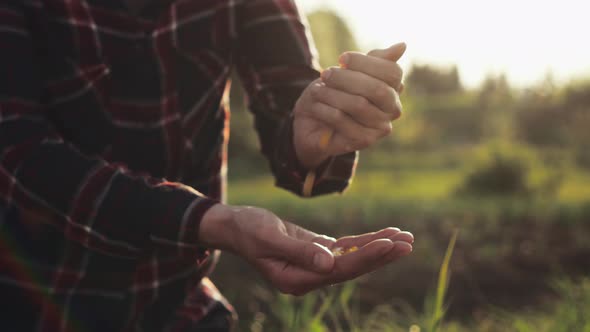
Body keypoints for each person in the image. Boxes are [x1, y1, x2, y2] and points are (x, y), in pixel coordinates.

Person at [0, 0, 414, 330]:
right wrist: (213, 222)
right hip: (33, 300)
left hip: (178, 307)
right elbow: (18, 151)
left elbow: (291, 113)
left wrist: (320, 133)